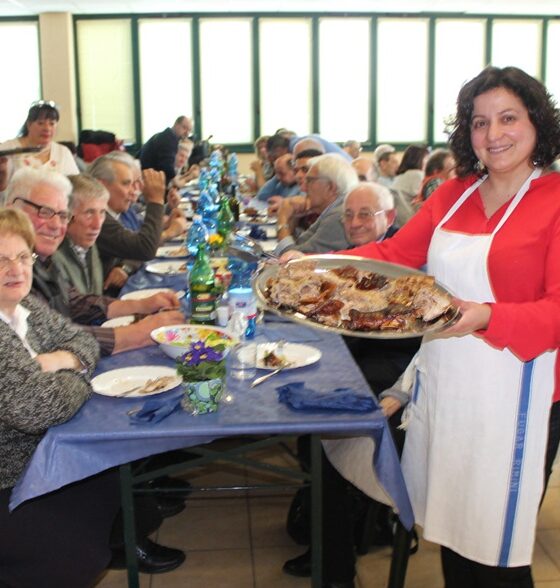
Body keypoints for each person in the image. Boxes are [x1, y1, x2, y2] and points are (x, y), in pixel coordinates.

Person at [336, 65, 560, 587]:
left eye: (508, 118)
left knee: (496, 551)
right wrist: (315, 266)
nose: (493, 133)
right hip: (451, 385)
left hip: (521, 394)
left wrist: (483, 315)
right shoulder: (453, 193)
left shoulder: (554, 199)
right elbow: (393, 257)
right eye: (480, 122)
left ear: (536, 123)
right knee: (455, 532)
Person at [0, 207, 120, 587]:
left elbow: (83, 339)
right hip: (8, 477)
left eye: (22, 257)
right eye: (1, 260)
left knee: (112, 477)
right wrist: (82, 376)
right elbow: (33, 408)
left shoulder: (25, 307)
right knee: (77, 555)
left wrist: (61, 360)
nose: (15, 269)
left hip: (40, 458)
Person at [5, 167, 184, 357]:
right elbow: (51, 339)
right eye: (45, 212)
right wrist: (140, 333)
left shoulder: (40, 259)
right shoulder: (11, 274)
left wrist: (143, 304)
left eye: (63, 215)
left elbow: (74, 302)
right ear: (11, 208)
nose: (57, 225)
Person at [87, 153, 166, 282]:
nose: (133, 191)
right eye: (126, 184)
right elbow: (145, 248)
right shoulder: (98, 220)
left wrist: (126, 267)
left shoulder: (117, 212)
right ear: (101, 186)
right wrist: (156, 200)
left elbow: (139, 244)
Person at [275, 153, 358, 258]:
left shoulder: (338, 216)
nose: (303, 188)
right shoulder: (331, 209)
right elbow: (299, 244)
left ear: (331, 187)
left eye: (309, 181)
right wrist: (293, 218)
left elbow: (294, 259)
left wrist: (282, 220)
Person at [53, 174, 108, 295]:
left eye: (102, 213)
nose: (97, 224)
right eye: (89, 213)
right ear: (66, 215)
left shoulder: (87, 243)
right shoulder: (52, 258)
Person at [0, 100, 79, 176]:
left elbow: (75, 182)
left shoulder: (62, 152)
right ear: (29, 125)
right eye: (40, 123)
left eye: (52, 124)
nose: (47, 128)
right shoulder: (8, 148)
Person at [139, 115, 193, 184]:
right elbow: (168, 170)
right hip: (148, 183)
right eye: (184, 128)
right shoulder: (168, 139)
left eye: (189, 130)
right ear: (176, 124)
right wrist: (188, 178)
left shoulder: (163, 135)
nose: (187, 133)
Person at [391, 143, 429, 226]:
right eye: (426, 158)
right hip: (411, 223)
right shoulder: (417, 175)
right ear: (419, 159)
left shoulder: (399, 176)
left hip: (398, 223)